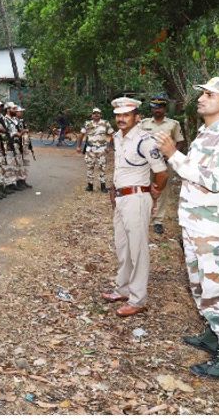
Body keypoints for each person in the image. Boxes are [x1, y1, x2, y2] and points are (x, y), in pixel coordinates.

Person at [154, 77, 219, 379]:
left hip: (215, 226)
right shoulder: (206, 134)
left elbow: (211, 179)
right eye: (203, 94)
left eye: (209, 94)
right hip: (195, 223)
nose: (202, 98)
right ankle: (213, 332)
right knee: (200, 284)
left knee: (218, 287)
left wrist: (173, 154)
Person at [101, 96, 167, 318]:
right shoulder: (118, 137)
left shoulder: (145, 140)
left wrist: (155, 192)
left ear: (136, 117)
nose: (121, 119)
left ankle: (138, 300)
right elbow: (120, 168)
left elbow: (161, 172)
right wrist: (113, 190)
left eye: (126, 115)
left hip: (137, 198)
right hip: (121, 198)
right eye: (118, 115)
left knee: (137, 249)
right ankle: (122, 289)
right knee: (122, 246)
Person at [140, 94, 186, 234]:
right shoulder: (144, 124)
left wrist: (171, 155)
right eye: (155, 107)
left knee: (162, 190)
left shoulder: (173, 124)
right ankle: (144, 217)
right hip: (147, 163)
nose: (157, 110)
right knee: (144, 188)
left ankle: (158, 220)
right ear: (152, 109)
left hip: (165, 163)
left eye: (160, 107)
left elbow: (180, 141)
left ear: (165, 109)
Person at [76, 107, 114, 192]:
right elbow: (81, 135)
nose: (96, 115)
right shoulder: (87, 124)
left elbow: (113, 135)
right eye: (94, 113)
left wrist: (109, 147)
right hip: (90, 150)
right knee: (90, 167)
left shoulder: (105, 123)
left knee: (102, 168)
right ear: (92, 115)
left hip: (102, 150)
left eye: (98, 113)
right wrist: (78, 146)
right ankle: (90, 186)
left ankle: (103, 187)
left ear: (100, 115)